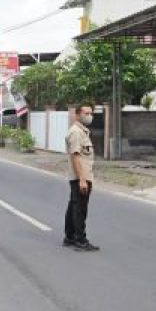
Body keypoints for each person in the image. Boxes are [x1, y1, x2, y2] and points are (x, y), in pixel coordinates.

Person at [64, 104, 100, 251]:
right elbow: (76, 156)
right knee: (80, 208)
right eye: (86, 113)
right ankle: (81, 239)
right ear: (77, 115)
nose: (89, 115)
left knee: (74, 206)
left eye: (91, 113)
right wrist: (82, 180)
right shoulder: (76, 132)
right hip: (81, 177)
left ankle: (70, 237)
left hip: (81, 176)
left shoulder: (82, 132)